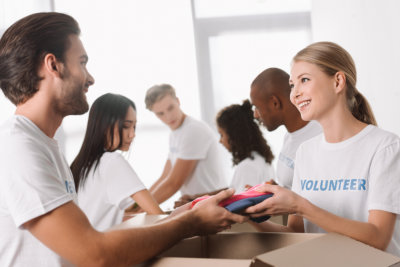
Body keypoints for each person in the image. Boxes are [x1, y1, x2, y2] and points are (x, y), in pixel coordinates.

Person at [0, 12, 246, 267]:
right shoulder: (19, 147)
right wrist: (190, 223)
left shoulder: (44, 146)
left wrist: (179, 218)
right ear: (53, 65)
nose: (90, 78)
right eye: (82, 62)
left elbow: (87, 243)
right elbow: (95, 254)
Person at [245, 41, 400, 256]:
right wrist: (253, 217)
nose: (295, 94)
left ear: (338, 82)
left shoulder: (385, 147)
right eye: (292, 84)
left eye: (304, 80)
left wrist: (300, 206)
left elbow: (377, 239)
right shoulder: (305, 152)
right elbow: (296, 233)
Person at [71, 93, 163, 231]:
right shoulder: (111, 161)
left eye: (134, 127)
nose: (132, 134)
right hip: (102, 249)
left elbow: (128, 207)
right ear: (105, 125)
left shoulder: (81, 165)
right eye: (126, 126)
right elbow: (157, 215)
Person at [174, 99, 275, 208]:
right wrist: (196, 198)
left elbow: (237, 203)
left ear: (234, 135)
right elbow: (233, 191)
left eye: (221, 135)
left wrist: (195, 203)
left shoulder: (247, 167)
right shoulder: (258, 159)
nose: (220, 141)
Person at [145, 84, 228, 205]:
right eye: (160, 113)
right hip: (198, 206)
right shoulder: (175, 133)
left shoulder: (193, 130)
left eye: (170, 108)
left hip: (214, 205)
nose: (168, 117)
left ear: (178, 101)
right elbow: (165, 177)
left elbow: (174, 183)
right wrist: (136, 206)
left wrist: (141, 210)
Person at [250, 67, 322, 189]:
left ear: (275, 102)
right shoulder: (289, 136)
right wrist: (274, 189)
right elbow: (293, 189)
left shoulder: (319, 138)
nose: (255, 115)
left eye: (257, 107)